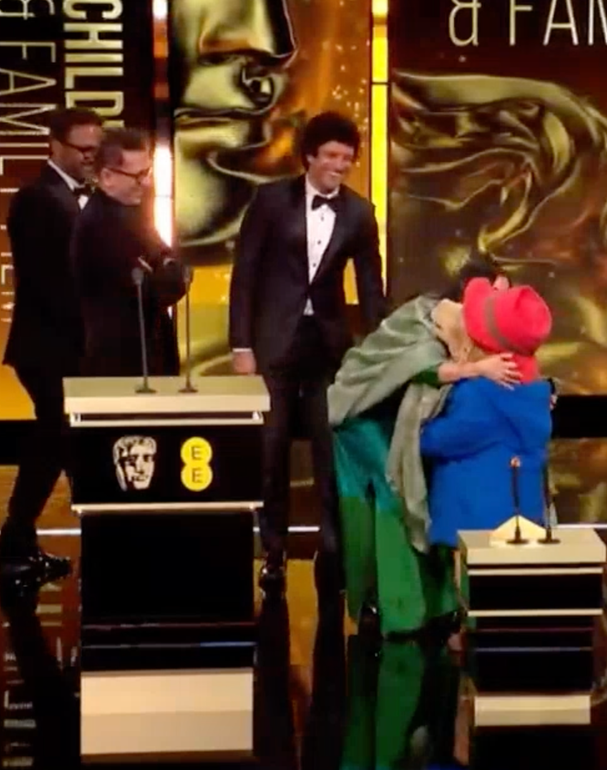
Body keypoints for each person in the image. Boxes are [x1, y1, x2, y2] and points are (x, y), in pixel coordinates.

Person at [228, 111, 388, 595]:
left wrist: (379, 348)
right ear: (310, 157)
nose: (340, 165)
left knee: (328, 448)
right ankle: (273, 549)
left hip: (326, 346)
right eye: (332, 155)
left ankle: (333, 547)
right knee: (271, 449)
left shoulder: (359, 213)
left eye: (347, 157)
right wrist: (241, 344)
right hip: (273, 342)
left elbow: (371, 285)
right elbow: (245, 273)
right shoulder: (270, 200)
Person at [327, 255, 520, 638]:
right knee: (394, 490)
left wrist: (543, 389)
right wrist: (476, 369)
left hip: (400, 416)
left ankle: (437, 603)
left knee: (427, 488)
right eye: (496, 290)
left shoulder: (481, 327)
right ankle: (397, 609)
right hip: (361, 412)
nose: (502, 300)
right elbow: (419, 366)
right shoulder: (428, 314)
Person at [0, 107, 103, 590]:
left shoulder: (90, 197)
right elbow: (49, 282)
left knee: (66, 439)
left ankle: (25, 541)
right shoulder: (37, 200)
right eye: (83, 149)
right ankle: (16, 541)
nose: (91, 157)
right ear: (54, 146)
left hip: (73, 345)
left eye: (97, 149)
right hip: (47, 346)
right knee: (57, 436)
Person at [421, 279, 554, 549]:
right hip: (520, 524)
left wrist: (419, 426)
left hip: (475, 532)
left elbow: (438, 441)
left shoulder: (482, 395)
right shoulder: (536, 393)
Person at [73, 129, 188, 377]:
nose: (146, 183)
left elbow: (174, 266)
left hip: (150, 359)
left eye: (147, 172)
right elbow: (157, 290)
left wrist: (167, 266)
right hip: (121, 367)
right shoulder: (99, 226)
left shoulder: (133, 212)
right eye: (137, 176)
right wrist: (166, 269)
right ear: (107, 177)